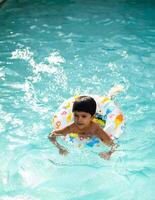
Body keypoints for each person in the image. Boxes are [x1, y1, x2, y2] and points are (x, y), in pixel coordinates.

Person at [48, 85, 124, 160]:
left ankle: (112, 93)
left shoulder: (96, 129)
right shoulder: (72, 127)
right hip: (92, 119)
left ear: (92, 117)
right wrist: (60, 148)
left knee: (110, 101)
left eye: (83, 116)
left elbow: (113, 144)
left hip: (100, 119)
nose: (79, 119)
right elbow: (51, 136)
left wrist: (109, 153)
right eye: (76, 115)